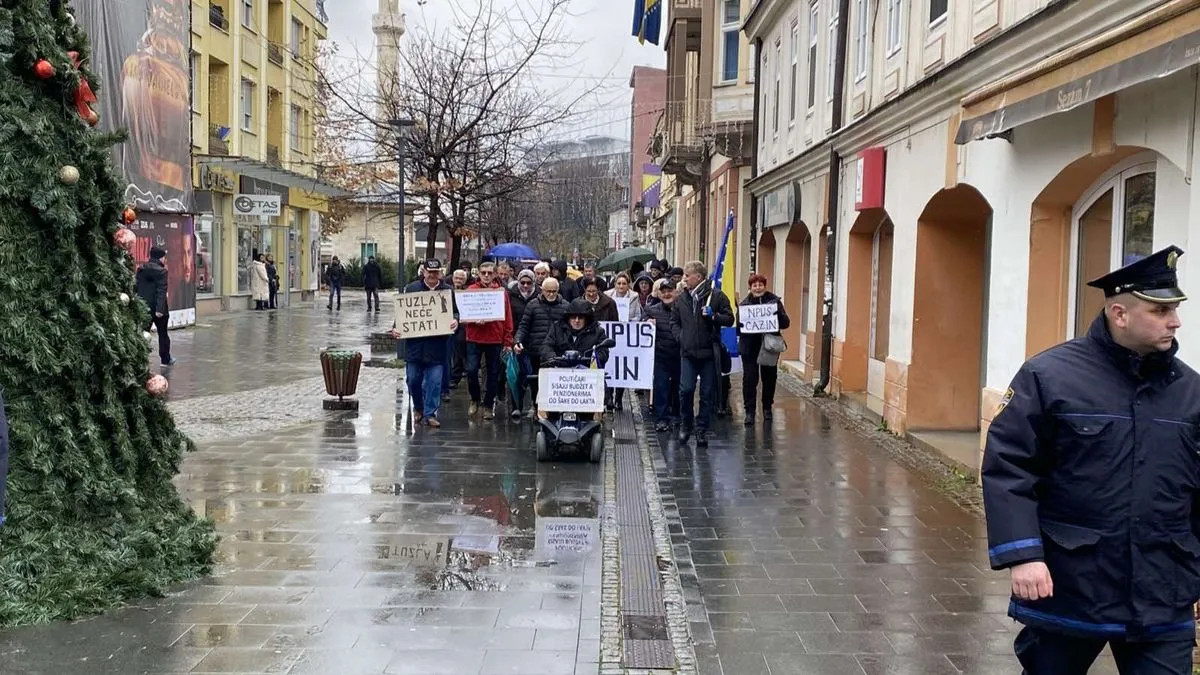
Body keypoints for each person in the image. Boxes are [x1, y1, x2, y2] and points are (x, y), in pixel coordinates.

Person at [982, 245, 1200, 675]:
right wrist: (1023, 555)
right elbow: (1009, 467)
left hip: (1163, 587)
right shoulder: (1049, 376)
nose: (1174, 321)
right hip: (1070, 581)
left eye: (1174, 309)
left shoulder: (1190, 391)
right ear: (1120, 313)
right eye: (1160, 310)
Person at [670, 261, 734, 447]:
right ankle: (686, 424)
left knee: (707, 393)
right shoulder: (682, 298)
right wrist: (680, 337)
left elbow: (730, 319)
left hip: (708, 354)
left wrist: (714, 316)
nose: (684, 279)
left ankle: (701, 429)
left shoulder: (715, 296)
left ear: (698, 276)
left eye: (687, 276)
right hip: (688, 353)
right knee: (686, 390)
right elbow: (674, 321)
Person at [393, 258, 457, 427]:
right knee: (413, 380)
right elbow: (403, 313)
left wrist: (455, 321)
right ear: (424, 272)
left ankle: (430, 414)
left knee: (434, 383)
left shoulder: (447, 291)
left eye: (436, 273)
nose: (432, 276)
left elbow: (455, 313)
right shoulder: (412, 289)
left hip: (437, 347)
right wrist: (396, 327)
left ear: (440, 273)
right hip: (415, 347)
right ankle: (418, 408)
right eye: (430, 272)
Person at [738, 274, 791, 425]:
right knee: (749, 380)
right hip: (750, 347)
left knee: (769, 378)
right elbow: (739, 329)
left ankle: (767, 408)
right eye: (754, 285)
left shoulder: (774, 302)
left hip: (769, 346)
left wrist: (778, 315)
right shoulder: (744, 305)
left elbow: (786, 323)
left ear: (765, 286)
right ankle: (749, 411)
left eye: (760, 284)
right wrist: (743, 323)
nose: (758, 287)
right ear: (750, 287)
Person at [464, 262, 514, 420]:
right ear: (478, 273)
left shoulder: (501, 293)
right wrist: (473, 321)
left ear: (494, 275)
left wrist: (507, 341)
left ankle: (487, 405)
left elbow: (507, 317)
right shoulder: (470, 291)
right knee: (472, 371)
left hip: (494, 338)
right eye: (483, 272)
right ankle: (475, 399)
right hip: (474, 337)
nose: (486, 275)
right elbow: (464, 316)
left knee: (493, 374)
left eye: (489, 273)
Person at [515, 277, 569, 413]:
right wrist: (517, 341)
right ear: (542, 290)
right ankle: (537, 406)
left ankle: (554, 409)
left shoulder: (565, 306)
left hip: (557, 351)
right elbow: (524, 326)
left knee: (556, 381)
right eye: (548, 291)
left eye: (554, 291)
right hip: (536, 350)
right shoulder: (533, 305)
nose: (551, 294)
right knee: (536, 381)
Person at [539, 298, 611, 376]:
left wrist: (590, 359)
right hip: (559, 373)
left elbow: (603, 352)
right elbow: (546, 346)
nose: (577, 320)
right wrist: (553, 358)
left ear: (587, 319)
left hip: (587, 375)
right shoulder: (557, 328)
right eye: (573, 317)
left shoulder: (597, 331)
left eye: (580, 317)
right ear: (568, 318)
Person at [646, 278, 681, 432]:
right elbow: (640, 328)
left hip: (680, 355)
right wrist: (646, 322)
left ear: (676, 292)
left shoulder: (683, 309)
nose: (667, 294)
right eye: (664, 291)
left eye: (670, 291)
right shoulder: (651, 310)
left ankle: (678, 416)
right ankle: (662, 419)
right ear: (659, 294)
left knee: (679, 388)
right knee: (661, 388)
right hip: (660, 356)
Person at [136, 246, 176, 366]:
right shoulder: (162, 271)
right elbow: (161, 290)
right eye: (164, 257)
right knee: (163, 334)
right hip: (159, 309)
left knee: (143, 333)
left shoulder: (141, 269)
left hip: (144, 307)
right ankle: (165, 359)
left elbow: (137, 287)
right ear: (160, 257)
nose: (165, 260)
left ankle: (140, 359)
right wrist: (159, 309)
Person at [507, 269, 539, 418]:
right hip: (516, 341)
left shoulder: (539, 295)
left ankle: (535, 405)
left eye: (529, 283)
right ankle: (516, 406)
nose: (525, 286)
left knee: (534, 377)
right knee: (516, 375)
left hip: (535, 342)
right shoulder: (511, 295)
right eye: (522, 282)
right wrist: (511, 340)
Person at [448, 269, 469, 390]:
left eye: (461, 279)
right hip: (447, 324)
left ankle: (455, 376)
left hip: (462, 326)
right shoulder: (447, 290)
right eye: (456, 278)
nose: (458, 281)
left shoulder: (467, 292)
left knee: (458, 350)